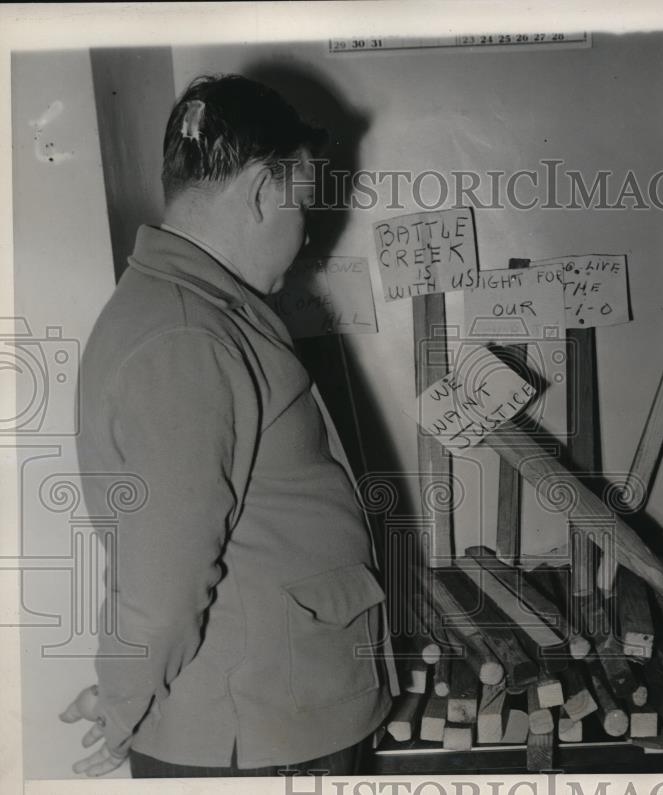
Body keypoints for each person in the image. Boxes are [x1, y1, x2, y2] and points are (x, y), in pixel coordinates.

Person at [59, 74, 397, 777]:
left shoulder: (199, 312)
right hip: (265, 740)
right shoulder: (188, 335)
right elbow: (163, 580)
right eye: (302, 206)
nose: (305, 233)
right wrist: (125, 704)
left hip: (276, 719)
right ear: (260, 192)